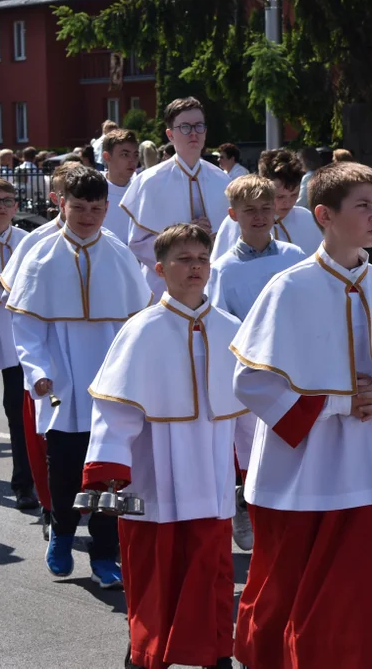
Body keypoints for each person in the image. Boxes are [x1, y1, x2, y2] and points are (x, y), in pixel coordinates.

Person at [230, 162, 372, 668]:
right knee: (286, 596)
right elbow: (250, 381)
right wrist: (341, 403)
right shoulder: (289, 287)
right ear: (324, 214)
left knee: (364, 597)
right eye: (362, 206)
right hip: (300, 471)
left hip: (369, 467)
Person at [84, 223, 244, 669]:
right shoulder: (142, 330)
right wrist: (107, 469)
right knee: (157, 577)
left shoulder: (231, 329)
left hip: (212, 484)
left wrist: (254, 471)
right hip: (157, 486)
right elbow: (115, 408)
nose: (195, 267)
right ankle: (146, 654)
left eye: (201, 259)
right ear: (160, 268)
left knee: (212, 575)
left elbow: (248, 414)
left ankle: (217, 654)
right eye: (183, 259)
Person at [7, 165, 151, 586]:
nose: (87, 217)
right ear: (62, 205)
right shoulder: (42, 254)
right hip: (63, 380)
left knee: (110, 468)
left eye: (96, 208)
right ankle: (63, 532)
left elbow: (137, 322)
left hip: (111, 380)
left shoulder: (120, 253)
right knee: (66, 467)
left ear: (107, 209)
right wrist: (37, 372)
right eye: (79, 207)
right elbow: (27, 327)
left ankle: (105, 552)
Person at [206, 175, 306, 551]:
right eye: (250, 211)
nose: (260, 216)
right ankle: (247, 504)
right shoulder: (223, 269)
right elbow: (220, 323)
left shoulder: (294, 258)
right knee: (252, 448)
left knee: (294, 444)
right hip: (251, 373)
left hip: (293, 371)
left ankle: (290, 517)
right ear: (234, 215)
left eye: (266, 208)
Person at [0, 162, 80, 520]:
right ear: (57, 200)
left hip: (90, 360)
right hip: (48, 357)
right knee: (46, 437)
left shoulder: (106, 242)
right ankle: (49, 504)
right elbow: (18, 304)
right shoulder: (36, 241)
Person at [120, 97, 231, 298]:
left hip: (211, 283)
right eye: (185, 127)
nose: (194, 133)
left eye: (199, 126)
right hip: (163, 285)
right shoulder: (150, 180)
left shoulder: (222, 180)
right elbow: (137, 242)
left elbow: (231, 236)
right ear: (170, 134)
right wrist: (184, 242)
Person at [0, 178, 36, 509]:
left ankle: (23, 485)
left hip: (19, 335)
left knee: (19, 412)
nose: (1, 207)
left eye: (7, 201)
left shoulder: (28, 241)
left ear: (16, 206)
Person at [211, 149, 323, 261]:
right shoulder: (238, 222)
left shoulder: (307, 219)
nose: (287, 203)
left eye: (294, 194)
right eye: (280, 196)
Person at [102, 129, 139, 244]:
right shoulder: (93, 189)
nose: (132, 161)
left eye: (135, 155)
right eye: (125, 155)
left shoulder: (142, 189)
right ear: (107, 157)